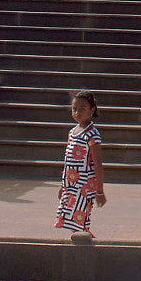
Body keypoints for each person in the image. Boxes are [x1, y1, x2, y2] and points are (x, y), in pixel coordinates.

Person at [56, 91, 105, 233]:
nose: (77, 112)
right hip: (70, 184)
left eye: (82, 109)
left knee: (80, 219)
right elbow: (68, 160)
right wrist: (63, 185)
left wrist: (99, 192)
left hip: (84, 185)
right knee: (70, 219)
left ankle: (85, 247)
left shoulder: (92, 134)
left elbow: (98, 164)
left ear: (92, 110)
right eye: (74, 109)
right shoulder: (72, 132)